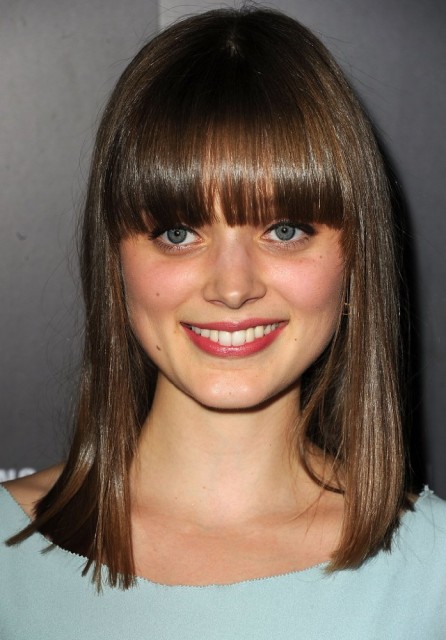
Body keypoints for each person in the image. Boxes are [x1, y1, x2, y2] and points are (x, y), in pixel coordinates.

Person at [1, 6, 445, 638]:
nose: (233, 287)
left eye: (284, 230)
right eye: (179, 232)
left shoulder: (434, 576)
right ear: (116, 259)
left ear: (355, 258)